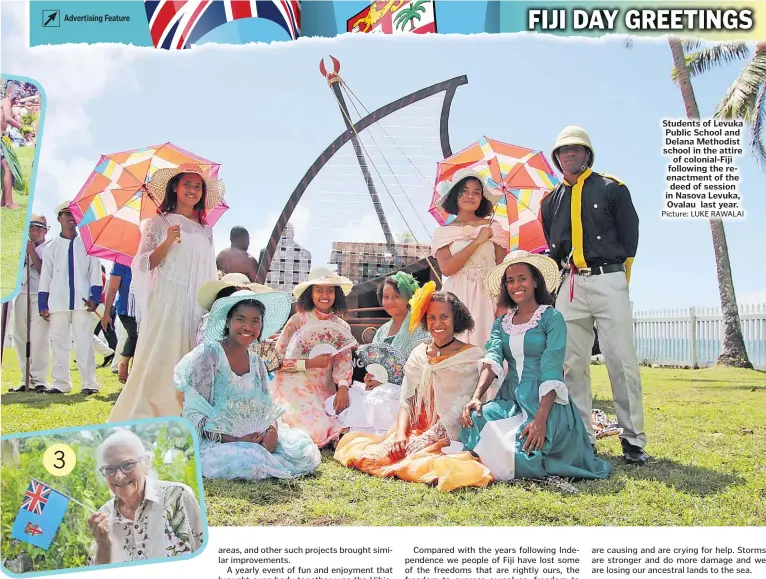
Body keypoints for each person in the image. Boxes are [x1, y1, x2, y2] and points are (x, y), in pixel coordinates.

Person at [540, 126, 646, 464]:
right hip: (569, 285)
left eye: (575, 149)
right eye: (562, 151)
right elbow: (554, 250)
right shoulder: (549, 201)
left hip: (608, 279)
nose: (568, 155)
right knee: (571, 365)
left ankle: (632, 440)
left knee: (621, 360)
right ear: (557, 158)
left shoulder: (613, 188)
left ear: (587, 154)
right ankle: (582, 437)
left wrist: (619, 281)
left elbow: (630, 239)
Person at [459, 251, 612, 481]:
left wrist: (540, 418)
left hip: (545, 401)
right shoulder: (502, 323)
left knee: (528, 453)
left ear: (535, 281)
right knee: (476, 419)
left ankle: (507, 455)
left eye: (522, 278)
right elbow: (492, 359)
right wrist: (476, 396)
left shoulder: (552, 318)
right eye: (510, 281)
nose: (515, 285)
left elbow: (552, 368)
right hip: (510, 399)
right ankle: (496, 453)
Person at [334, 288, 494, 492]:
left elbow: (458, 408)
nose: (437, 323)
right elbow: (407, 400)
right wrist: (400, 434)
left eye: (444, 317)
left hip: (447, 431)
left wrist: (426, 438)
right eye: (432, 317)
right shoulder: (419, 353)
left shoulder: (471, 355)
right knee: (372, 459)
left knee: (418, 461)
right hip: (414, 426)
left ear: (457, 319)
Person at [108, 163, 222, 422]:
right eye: (187, 185)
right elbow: (143, 263)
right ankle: (151, 411)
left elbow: (210, 269)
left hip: (197, 304)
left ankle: (186, 413)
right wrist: (167, 241)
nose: (193, 190)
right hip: (168, 301)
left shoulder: (207, 229)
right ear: (175, 187)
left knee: (191, 358)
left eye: (198, 186)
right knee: (162, 355)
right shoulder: (158, 222)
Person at [175, 290, 321, 481]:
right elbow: (194, 414)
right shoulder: (208, 355)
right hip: (214, 438)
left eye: (255, 321)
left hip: (252, 437)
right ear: (228, 321)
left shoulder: (257, 362)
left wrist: (271, 432)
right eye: (241, 319)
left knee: (302, 451)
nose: (248, 326)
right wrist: (234, 439)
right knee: (247, 460)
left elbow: (266, 407)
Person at [87, 430, 204, 566]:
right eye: (109, 469)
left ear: (146, 462)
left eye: (128, 465)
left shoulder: (178, 496)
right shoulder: (104, 516)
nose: (118, 476)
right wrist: (103, 546)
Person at [270, 267, 356, 448]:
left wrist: (342, 388)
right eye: (319, 290)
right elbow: (275, 360)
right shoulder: (297, 321)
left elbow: (344, 362)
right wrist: (309, 363)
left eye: (330, 290)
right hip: (294, 385)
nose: (325, 295)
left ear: (336, 294)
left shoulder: (340, 326)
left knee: (344, 418)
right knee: (311, 429)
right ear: (310, 293)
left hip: (325, 388)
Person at [431, 170, 508, 349]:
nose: (470, 196)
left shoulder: (494, 227)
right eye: (464, 191)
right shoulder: (443, 232)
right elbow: (447, 268)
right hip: (455, 298)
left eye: (476, 192)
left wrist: (503, 304)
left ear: (482, 198)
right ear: (455, 195)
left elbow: (503, 270)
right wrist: (478, 241)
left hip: (488, 299)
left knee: (488, 349)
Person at [38, 201, 102, 394]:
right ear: (59, 218)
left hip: (83, 303)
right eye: (67, 214)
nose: (71, 218)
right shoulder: (51, 247)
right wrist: (43, 302)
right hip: (57, 302)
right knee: (59, 343)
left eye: (74, 214)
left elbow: (95, 271)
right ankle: (61, 383)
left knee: (84, 342)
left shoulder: (88, 244)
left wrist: (95, 297)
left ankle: (89, 383)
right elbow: (46, 276)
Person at [9, 214, 50, 392]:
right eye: (31, 228)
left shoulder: (49, 248)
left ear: (45, 231)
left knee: (39, 339)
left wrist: (31, 252)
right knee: (19, 337)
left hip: (40, 296)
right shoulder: (19, 246)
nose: (35, 231)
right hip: (21, 293)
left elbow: (44, 271)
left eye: (39, 228)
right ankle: (26, 378)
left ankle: (39, 379)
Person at [371, 272, 430, 358]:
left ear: (408, 298)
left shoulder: (420, 330)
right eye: (386, 297)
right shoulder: (381, 331)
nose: (390, 302)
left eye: (396, 296)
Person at [102, 262, 138, 384]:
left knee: (141, 340)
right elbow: (112, 289)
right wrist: (106, 314)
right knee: (135, 335)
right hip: (126, 309)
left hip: (145, 309)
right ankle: (123, 362)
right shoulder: (121, 262)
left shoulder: (149, 256)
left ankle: (134, 374)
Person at [0, 82, 22, 209]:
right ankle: (8, 203)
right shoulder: (5, 101)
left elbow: (11, 117)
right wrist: (21, 127)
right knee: (8, 168)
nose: (18, 98)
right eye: (16, 94)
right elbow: (8, 118)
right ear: (8, 93)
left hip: (2, 140)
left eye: (20, 95)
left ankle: (4, 202)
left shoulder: (7, 104)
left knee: (7, 169)